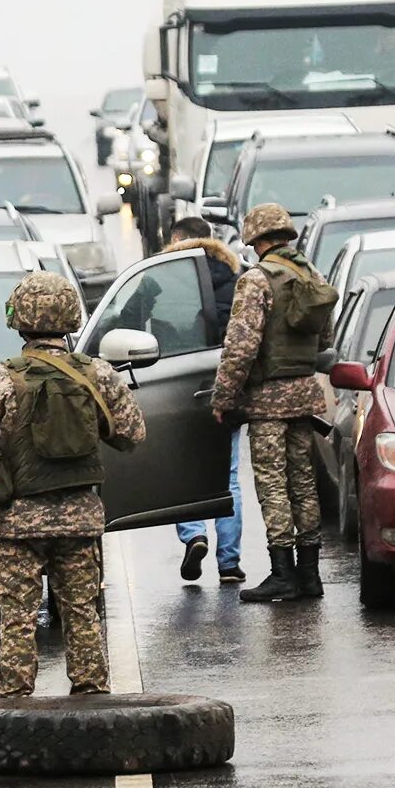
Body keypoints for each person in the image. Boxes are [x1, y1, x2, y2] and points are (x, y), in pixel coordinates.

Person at [0, 272, 145, 697]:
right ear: (71, 318)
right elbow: (132, 435)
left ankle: (16, 696)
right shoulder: (97, 374)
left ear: (19, 320)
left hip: (17, 522)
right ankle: (91, 689)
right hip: (79, 520)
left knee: (18, 615)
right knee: (81, 611)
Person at [213, 204, 337, 603]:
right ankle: (310, 575)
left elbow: (240, 347)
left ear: (255, 239)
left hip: (267, 401)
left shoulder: (256, 280)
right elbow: (325, 340)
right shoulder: (311, 275)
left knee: (272, 486)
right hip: (303, 397)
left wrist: (224, 397)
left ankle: (283, 573)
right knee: (303, 484)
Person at [162, 215, 246, 584]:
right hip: (224, 385)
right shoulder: (236, 277)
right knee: (228, 477)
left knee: (183, 472)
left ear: (177, 239)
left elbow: (138, 321)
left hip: (177, 384)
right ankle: (229, 563)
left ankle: (193, 533)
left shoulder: (165, 278)